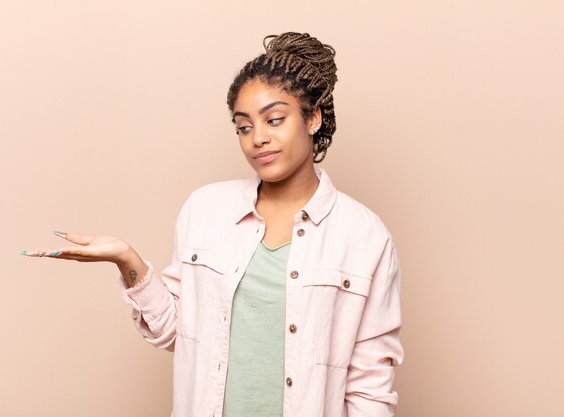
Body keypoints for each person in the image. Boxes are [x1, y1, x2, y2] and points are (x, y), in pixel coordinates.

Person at [22, 32, 404, 417]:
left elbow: (369, 389)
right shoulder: (205, 210)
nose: (258, 138)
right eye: (243, 126)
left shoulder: (364, 237)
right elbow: (174, 331)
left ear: (313, 118)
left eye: (274, 119)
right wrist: (127, 259)